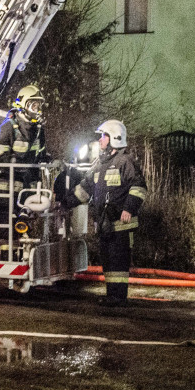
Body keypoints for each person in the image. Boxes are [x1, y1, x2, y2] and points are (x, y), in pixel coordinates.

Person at [64, 119, 147, 306]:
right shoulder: (100, 164)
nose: (100, 140)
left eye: (104, 136)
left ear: (114, 139)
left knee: (118, 262)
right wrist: (64, 203)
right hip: (105, 223)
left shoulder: (125, 162)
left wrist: (129, 208)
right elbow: (84, 190)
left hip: (121, 223)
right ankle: (112, 296)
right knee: (109, 262)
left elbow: (139, 187)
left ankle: (119, 298)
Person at [0, 85, 48, 217]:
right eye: (34, 105)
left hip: (28, 188)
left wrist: (46, 160)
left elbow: (41, 153)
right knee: (6, 224)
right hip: (7, 188)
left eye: (39, 106)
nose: (37, 110)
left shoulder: (38, 129)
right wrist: (12, 162)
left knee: (25, 222)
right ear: (24, 104)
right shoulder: (8, 126)